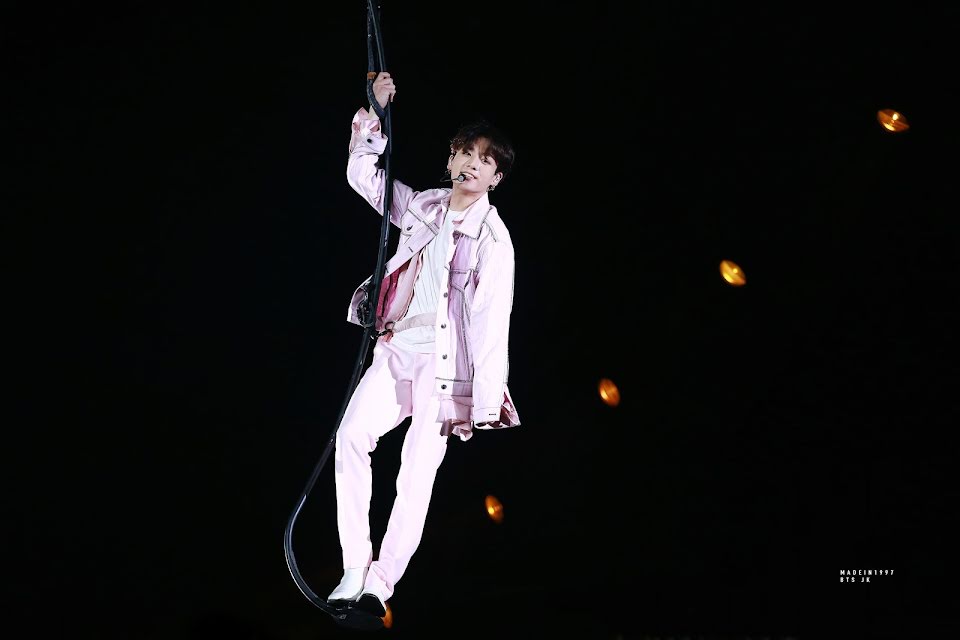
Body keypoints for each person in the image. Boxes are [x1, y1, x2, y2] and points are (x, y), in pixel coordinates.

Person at [325, 71, 521, 623]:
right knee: (351, 437)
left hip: (444, 369)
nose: (471, 163)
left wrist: (483, 403)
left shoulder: (494, 239)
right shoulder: (424, 206)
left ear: (496, 177)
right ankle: (354, 566)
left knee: (415, 475)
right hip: (396, 350)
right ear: (452, 158)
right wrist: (373, 113)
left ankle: (380, 583)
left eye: (484, 160)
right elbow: (364, 177)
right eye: (465, 152)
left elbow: (492, 322)